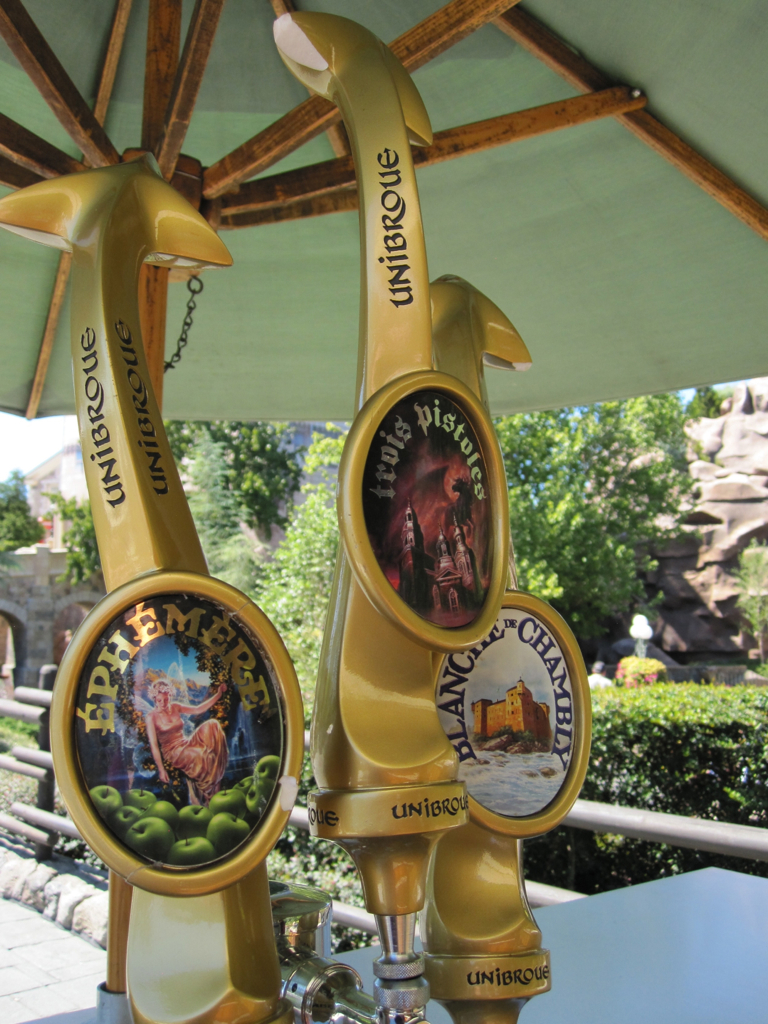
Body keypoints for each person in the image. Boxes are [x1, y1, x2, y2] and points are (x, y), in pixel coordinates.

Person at [142, 672, 228, 804]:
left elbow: (198, 709)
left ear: (170, 696)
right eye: (159, 701)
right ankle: (208, 795)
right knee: (203, 755)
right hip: (172, 751)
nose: (163, 703)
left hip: (185, 743)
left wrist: (218, 695)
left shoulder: (175, 707)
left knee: (213, 725)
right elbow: (154, 745)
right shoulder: (151, 717)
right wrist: (161, 769)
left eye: (166, 699)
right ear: (154, 699)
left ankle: (215, 788)